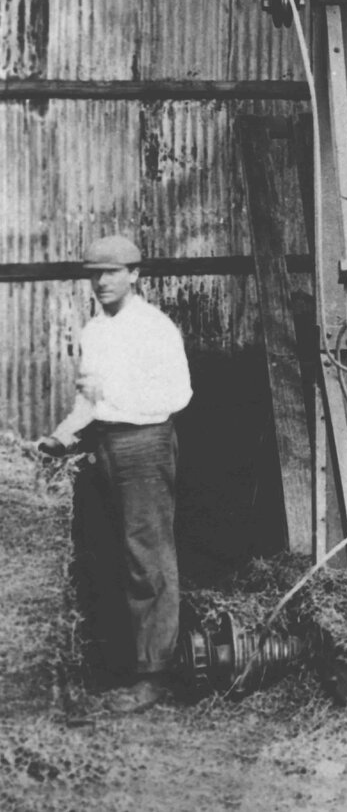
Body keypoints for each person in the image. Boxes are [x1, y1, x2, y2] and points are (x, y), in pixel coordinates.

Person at [37, 235, 192, 712]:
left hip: (143, 443)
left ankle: (155, 675)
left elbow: (179, 394)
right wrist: (64, 434)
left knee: (146, 555)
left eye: (111, 272)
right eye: (95, 273)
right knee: (109, 552)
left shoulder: (154, 327)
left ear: (135, 275)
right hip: (101, 442)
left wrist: (119, 401)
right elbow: (89, 400)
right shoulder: (95, 331)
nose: (102, 281)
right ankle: (122, 666)